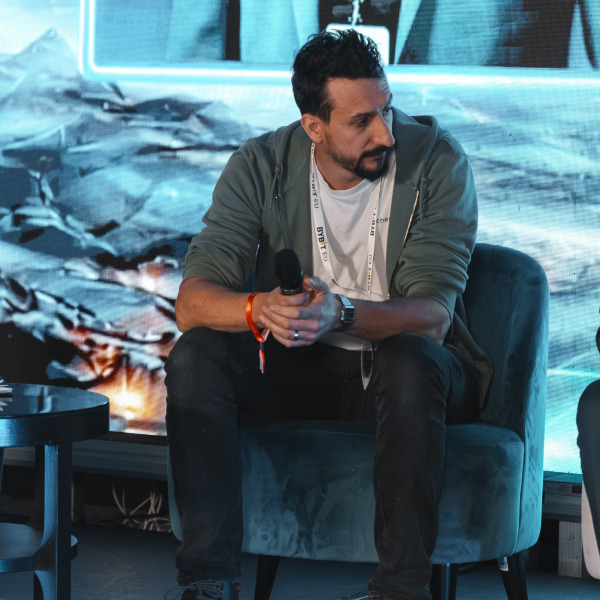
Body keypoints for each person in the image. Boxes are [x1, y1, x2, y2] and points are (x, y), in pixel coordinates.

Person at [165, 28, 491, 600]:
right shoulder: (261, 163)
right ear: (313, 127)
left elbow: (433, 317)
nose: (385, 132)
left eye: (386, 109)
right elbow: (191, 303)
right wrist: (261, 308)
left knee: (409, 360)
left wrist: (340, 314)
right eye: (361, 120)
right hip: (304, 367)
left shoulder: (437, 161)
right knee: (197, 355)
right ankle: (209, 582)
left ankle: (400, 591)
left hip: (412, 370)